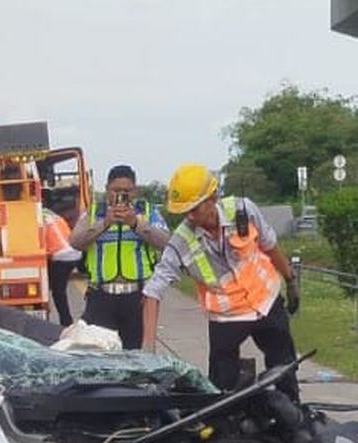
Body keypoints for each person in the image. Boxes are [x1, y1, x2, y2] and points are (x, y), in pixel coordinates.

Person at [142, 164, 301, 400]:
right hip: (227, 317)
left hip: (265, 302)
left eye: (194, 209)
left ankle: (293, 414)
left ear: (213, 198)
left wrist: (290, 280)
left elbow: (269, 245)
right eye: (184, 212)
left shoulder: (243, 210)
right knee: (220, 388)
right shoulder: (181, 241)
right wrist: (148, 348)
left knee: (284, 370)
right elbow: (153, 291)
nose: (190, 217)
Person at [69, 164, 170, 350]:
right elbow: (75, 242)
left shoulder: (147, 212)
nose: (121, 195)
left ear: (135, 191)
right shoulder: (94, 213)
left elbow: (166, 242)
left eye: (127, 191)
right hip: (101, 296)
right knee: (100, 353)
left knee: (137, 354)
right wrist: (104, 224)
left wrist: (136, 224)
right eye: (116, 191)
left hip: (138, 297)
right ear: (107, 189)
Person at [42, 208, 81, 326]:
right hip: (74, 253)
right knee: (59, 288)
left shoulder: (39, 219)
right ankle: (66, 321)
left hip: (61, 256)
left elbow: (41, 243)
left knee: (58, 291)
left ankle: (66, 322)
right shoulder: (54, 216)